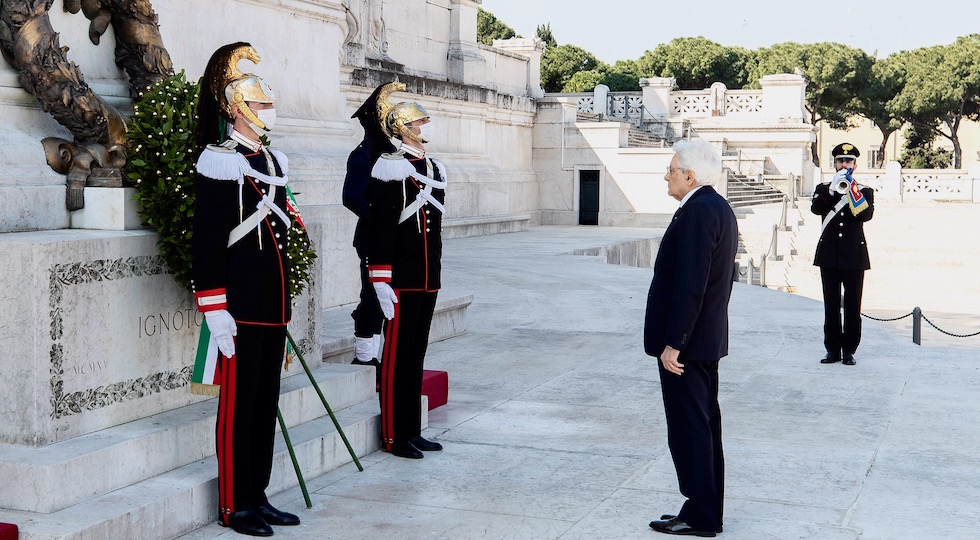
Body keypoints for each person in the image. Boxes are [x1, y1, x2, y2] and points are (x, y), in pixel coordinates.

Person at [191, 42, 300, 537]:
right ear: (236, 109)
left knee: (263, 406)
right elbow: (210, 241)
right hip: (238, 309)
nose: (266, 112)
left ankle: (258, 493)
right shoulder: (220, 161)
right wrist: (214, 307)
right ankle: (235, 505)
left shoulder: (271, 162)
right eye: (258, 104)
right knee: (238, 409)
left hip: (271, 308)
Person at [645, 139, 737, 538]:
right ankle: (702, 508)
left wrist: (675, 342)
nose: (666, 176)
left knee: (691, 429)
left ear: (690, 175)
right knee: (701, 427)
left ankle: (701, 516)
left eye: (670, 170)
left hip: (689, 345)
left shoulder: (699, 211)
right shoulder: (714, 206)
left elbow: (692, 284)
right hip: (703, 340)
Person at [366, 82, 446, 459]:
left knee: (416, 355)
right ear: (403, 128)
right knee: (397, 359)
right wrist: (380, 278)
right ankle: (396, 435)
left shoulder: (432, 167)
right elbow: (380, 228)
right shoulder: (392, 167)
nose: (426, 125)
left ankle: (412, 430)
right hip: (401, 279)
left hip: (427, 278)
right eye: (420, 121)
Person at [343, 85, 397, 381]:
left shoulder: (393, 154)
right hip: (372, 238)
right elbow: (352, 197)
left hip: (396, 240)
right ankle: (365, 357)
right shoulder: (362, 155)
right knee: (372, 297)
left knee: (391, 297)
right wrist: (381, 219)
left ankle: (383, 356)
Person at [811, 142, 875, 366]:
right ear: (835, 163)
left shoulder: (864, 191)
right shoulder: (823, 189)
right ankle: (832, 349)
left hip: (854, 257)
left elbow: (865, 215)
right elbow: (817, 209)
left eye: (848, 161)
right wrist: (831, 190)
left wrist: (852, 189)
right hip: (829, 255)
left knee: (852, 306)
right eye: (840, 161)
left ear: (855, 165)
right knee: (830, 305)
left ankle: (849, 350)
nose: (844, 164)